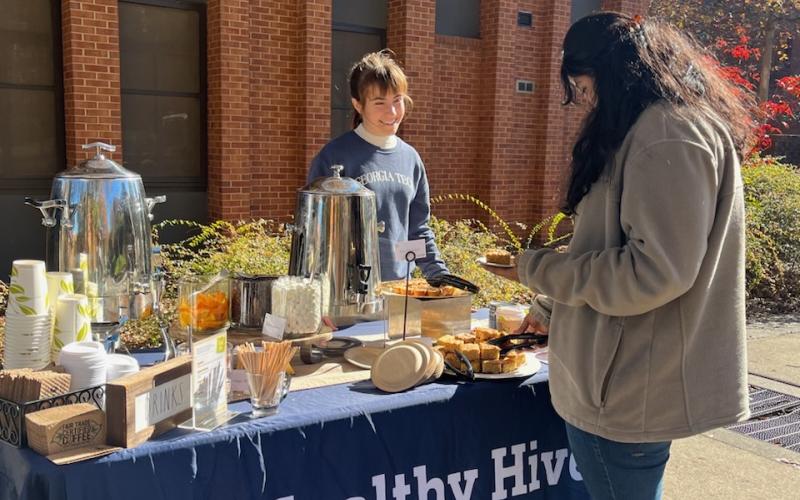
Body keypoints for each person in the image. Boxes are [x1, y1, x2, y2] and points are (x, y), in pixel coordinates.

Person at [482, 12, 754, 500]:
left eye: (584, 89)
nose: (586, 102)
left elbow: (653, 273)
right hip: (626, 381)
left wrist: (535, 270)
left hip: (628, 389)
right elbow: (607, 242)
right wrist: (548, 306)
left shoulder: (667, 134)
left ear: (612, 73)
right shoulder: (656, 126)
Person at [308, 50, 456, 285]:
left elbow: (416, 231)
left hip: (399, 293)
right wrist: (316, 296)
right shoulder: (334, 156)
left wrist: (438, 275)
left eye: (397, 100)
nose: (393, 112)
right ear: (357, 105)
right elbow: (315, 237)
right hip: (345, 295)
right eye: (380, 103)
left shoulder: (411, 159)